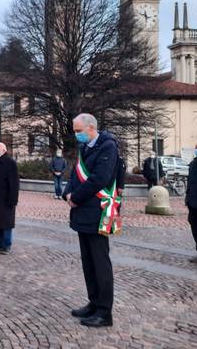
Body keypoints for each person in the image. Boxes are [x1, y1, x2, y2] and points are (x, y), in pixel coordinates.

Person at [62, 113, 120, 328]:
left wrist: (76, 197)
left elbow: (99, 178)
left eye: (78, 131)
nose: (76, 135)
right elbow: (76, 175)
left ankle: (105, 312)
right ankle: (94, 302)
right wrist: (67, 193)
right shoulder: (85, 148)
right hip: (83, 213)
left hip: (98, 212)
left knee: (100, 262)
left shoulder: (108, 146)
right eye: (75, 131)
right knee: (88, 261)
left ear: (91, 128)